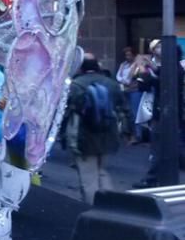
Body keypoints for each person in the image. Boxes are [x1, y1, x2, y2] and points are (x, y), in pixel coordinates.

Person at [62, 53, 127, 204]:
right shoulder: (111, 83)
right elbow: (123, 108)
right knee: (102, 171)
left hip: (83, 136)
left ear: (81, 67)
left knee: (88, 176)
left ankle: (93, 210)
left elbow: (66, 112)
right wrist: (127, 132)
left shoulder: (76, 85)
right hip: (108, 135)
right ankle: (110, 205)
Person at [133, 39, 184, 188]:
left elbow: (149, 82)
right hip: (166, 113)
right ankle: (156, 177)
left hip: (165, 114)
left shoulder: (173, 70)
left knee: (160, 147)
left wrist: (145, 69)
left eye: (162, 48)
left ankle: (152, 178)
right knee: (166, 147)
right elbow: (144, 84)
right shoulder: (172, 69)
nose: (158, 50)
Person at [116, 46, 142, 141]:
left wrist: (124, 80)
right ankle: (129, 133)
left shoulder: (137, 65)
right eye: (126, 55)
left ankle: (138, 134)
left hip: (134, 90)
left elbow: (129, 78)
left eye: (129, 55)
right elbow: (118, 76)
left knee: (135, 113)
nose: (128, 57)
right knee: (127, 112)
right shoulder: (124, 64)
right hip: (125, 90)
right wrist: (124, 80)